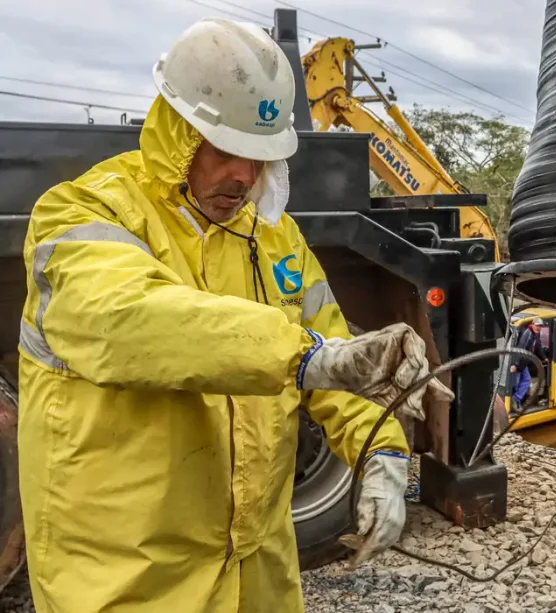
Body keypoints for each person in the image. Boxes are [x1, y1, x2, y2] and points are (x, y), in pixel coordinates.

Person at [17, 18, 452, 613]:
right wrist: (305, 358)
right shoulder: (83, 214)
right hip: (126, 577)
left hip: (257, 571)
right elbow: (131, 320)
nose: (244, 177)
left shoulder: (274, 239)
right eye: (227, 150)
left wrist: (382, 452)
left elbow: (333, 350)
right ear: (179, 131)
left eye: (259, 157)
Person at [509, 318, 544, 409]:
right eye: (537, 325)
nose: (538, 328)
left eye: (540, 326)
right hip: (519, 362)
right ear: (532, 324)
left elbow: (538, 347)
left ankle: (516, 399)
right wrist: (516, 365)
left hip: (524, 363)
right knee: (516, 384)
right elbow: (520, 349)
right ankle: (514, 401)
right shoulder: (527, 334)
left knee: (526, 380)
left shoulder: (536, 335)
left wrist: (544, 358)